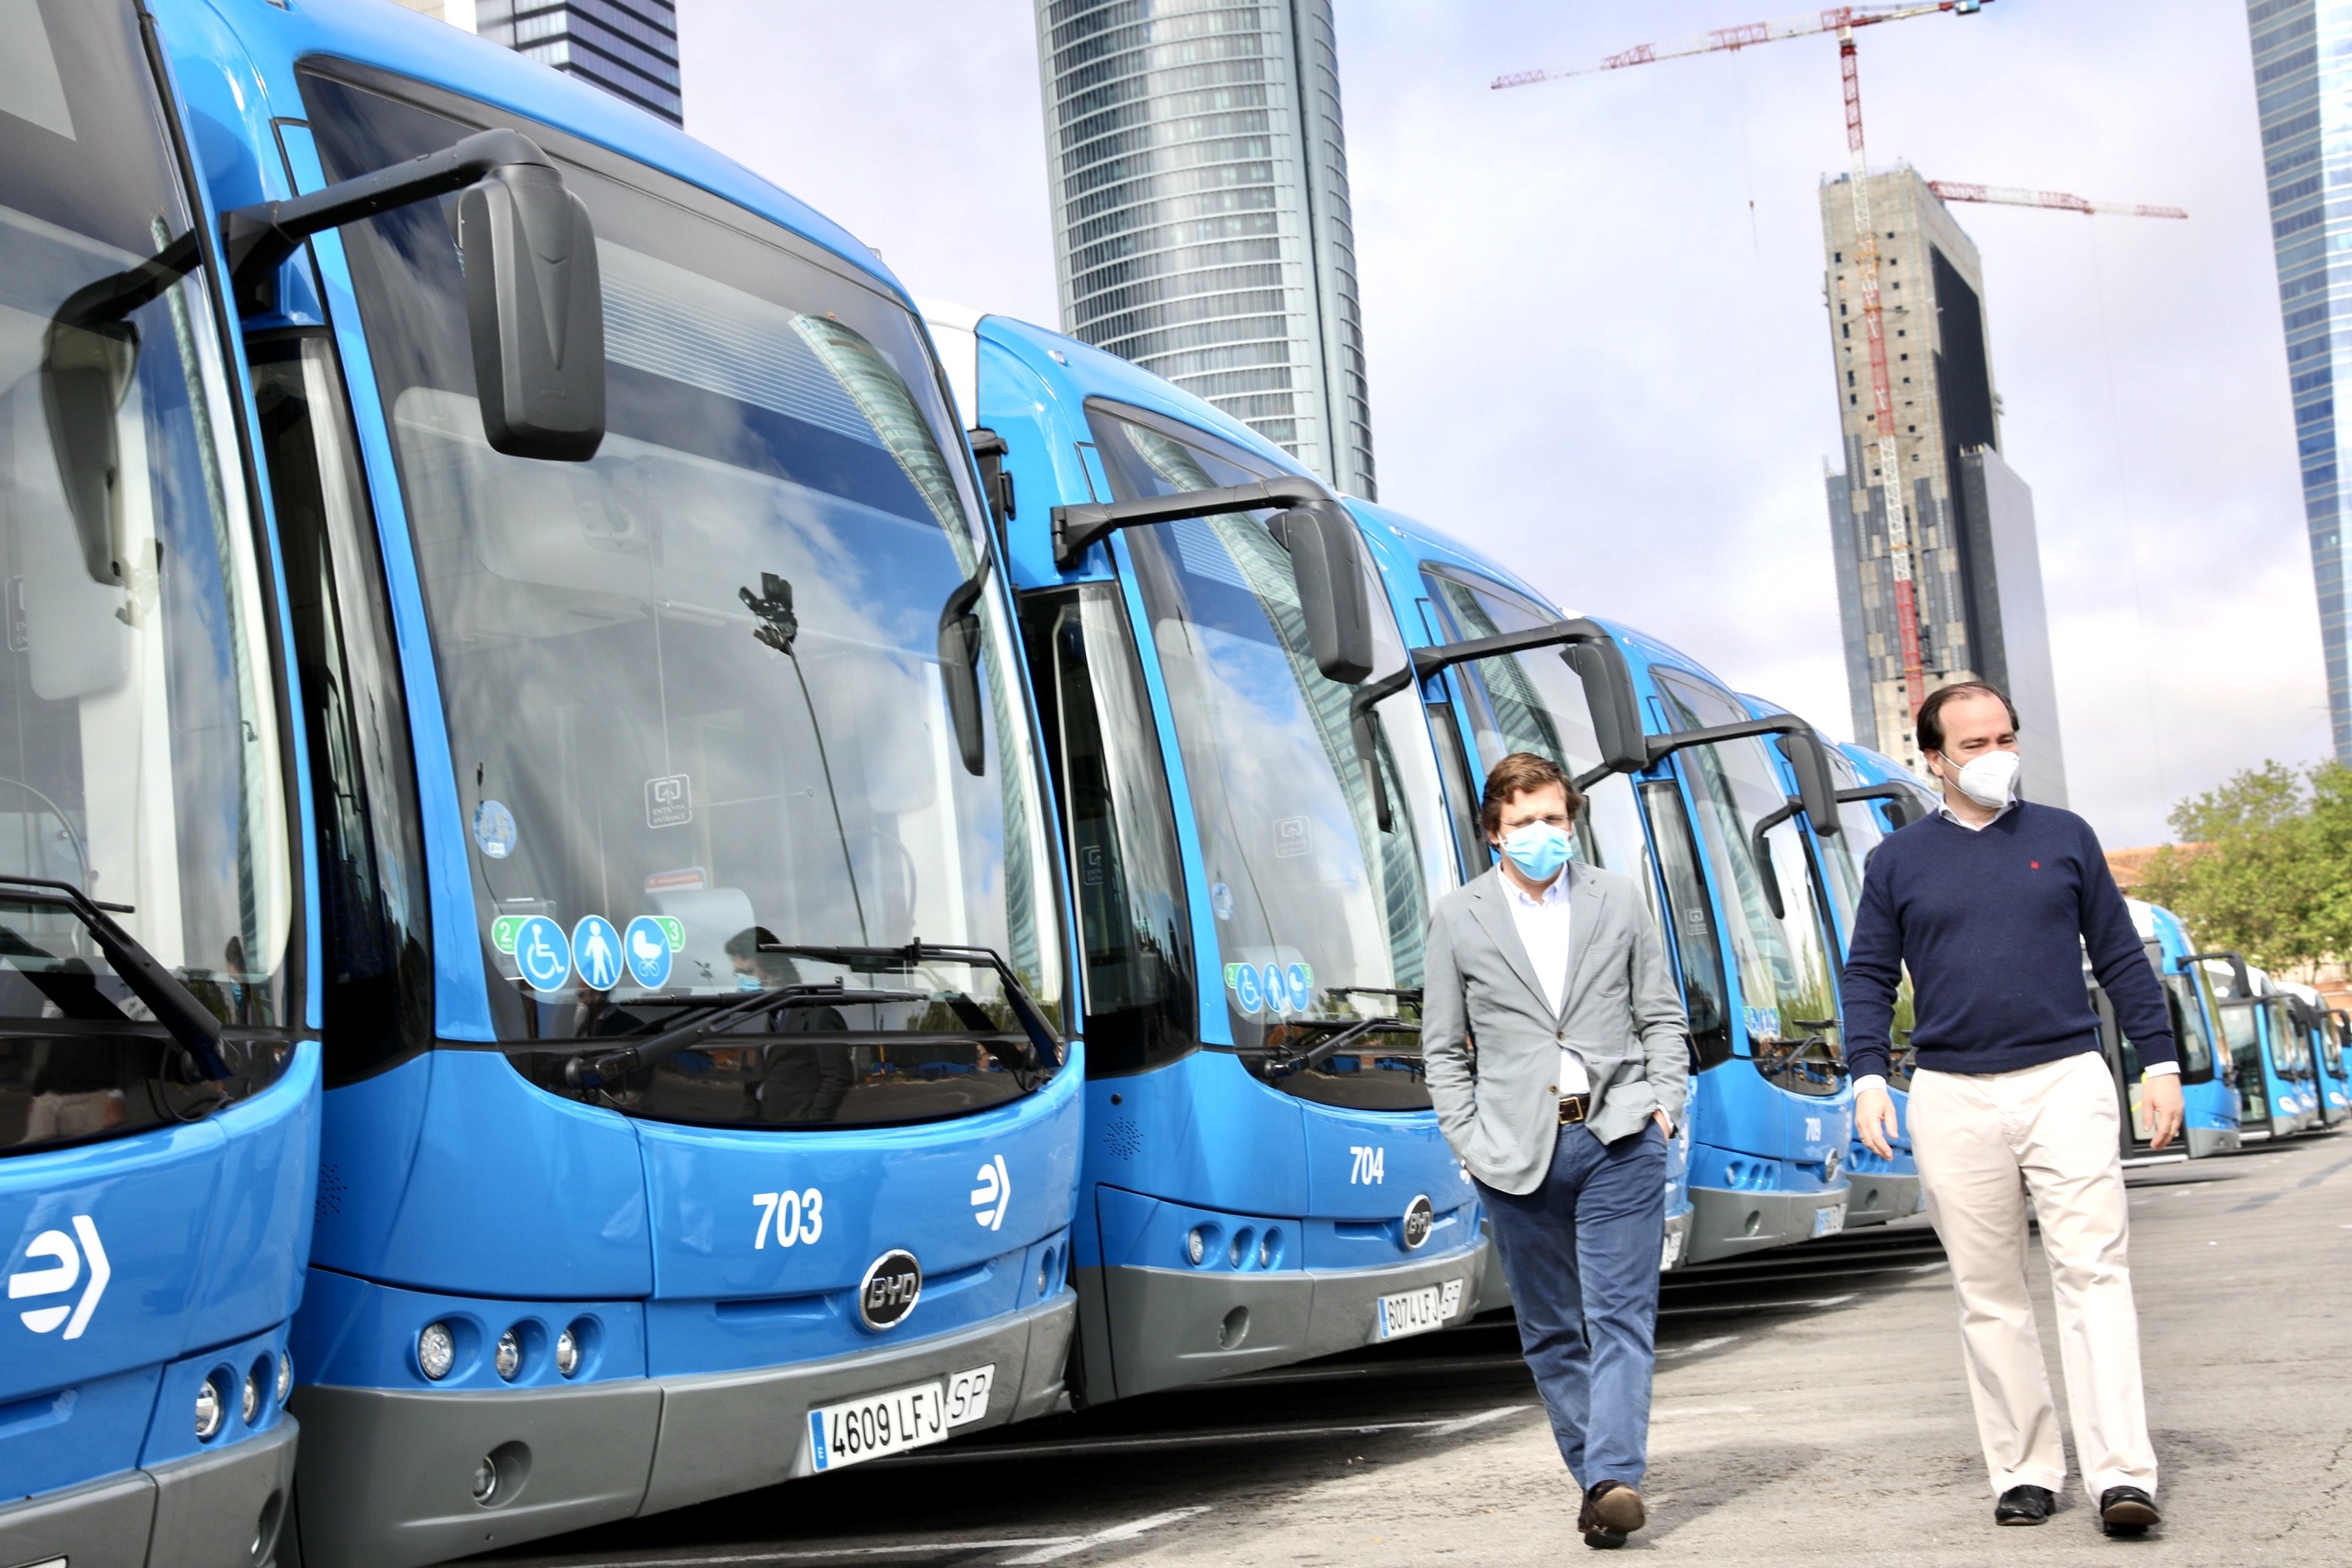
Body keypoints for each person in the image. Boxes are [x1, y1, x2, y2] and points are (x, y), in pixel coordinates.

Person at [1845, 681, 2180, 1537]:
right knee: (1988, 1292)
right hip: (1952, 1091)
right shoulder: (1896, 861)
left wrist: (2160, 1061)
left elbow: (2120, 957)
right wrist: (1867, 1074)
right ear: (1933, 759)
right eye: (1974, 744)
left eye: (2005, 737)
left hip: (2065, 1077)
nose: (1996, 755)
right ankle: (2025, 1468)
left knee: (2092, 1274)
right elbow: (1869, 975)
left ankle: (2120, 1474)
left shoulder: (2065, 838)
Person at [1422, 752, 1689, 1551]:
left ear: (1570, 821)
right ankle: (1595, 1480)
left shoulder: (1619, 897)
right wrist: (1466, 1138)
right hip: (1513, 1148)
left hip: (1618, 1134)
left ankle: (1613, 1477)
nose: (1542, 835)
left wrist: (1663, 1104)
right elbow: (1442, 1049)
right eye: (1524, 823)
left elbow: (1662, 1014)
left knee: (1619, 1315)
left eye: (1553, 819)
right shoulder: (1457, 916)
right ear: (1493, 833)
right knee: (1548, 1329)